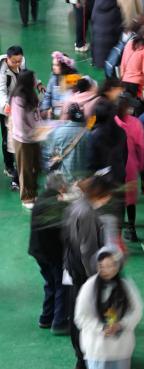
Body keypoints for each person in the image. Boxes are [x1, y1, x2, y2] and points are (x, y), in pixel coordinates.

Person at [75, 246, 143, 369]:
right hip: (98, 350)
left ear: (118, 265)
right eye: (102, 266)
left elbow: (137, 309)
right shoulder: (89, 287)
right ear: (96, 266)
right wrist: (100, 328)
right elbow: (81, 316)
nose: (107, 270)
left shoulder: (126, 285)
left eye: (111, 265)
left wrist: (122, 325)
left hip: (121, 349)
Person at [63, 172, 119, 369]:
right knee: (86, 313)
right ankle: (85, 357)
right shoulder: (87, 214)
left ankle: (82, 356)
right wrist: (95, 278)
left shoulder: (77, 205)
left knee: (76, 310)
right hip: (82, 271)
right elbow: (88, 250)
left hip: (72, 265)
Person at [28, 172, 69, 334]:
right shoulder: (56, 204)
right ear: (61, 187)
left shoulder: (41, 199)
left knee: (50, 283)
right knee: (61, 285)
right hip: (52, 253)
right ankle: (59, 322)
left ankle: (46, 318)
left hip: (38, 251)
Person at [87, 100, 128, 229]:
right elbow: (125, 155)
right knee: (118, 214)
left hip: (101, 183)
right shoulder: (121, 132)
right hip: (118, 177)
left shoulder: (94, 135)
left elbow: (91, 162)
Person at [115, 93, 144, 242]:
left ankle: (116, 236)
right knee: (130, 200)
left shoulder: (110, 122)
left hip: (113, 167)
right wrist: (141, 164)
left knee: (117, 200)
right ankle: (131, 229)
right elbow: (142, 147)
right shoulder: (136, 123)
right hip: (131, 166)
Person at [11, 69, 42, 209]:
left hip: (34, 136)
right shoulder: (18, 99)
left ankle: (33, 192)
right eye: (34, 80)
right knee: (25, 169)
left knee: (36, 166)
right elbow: (19, 124)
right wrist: (34, 132)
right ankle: (27, 197)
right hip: (23, 140)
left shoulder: (30, 94)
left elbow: (35, 114)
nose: (36, 82)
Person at [0, 46, 25, 189]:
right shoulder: (2, 71)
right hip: (3, 104)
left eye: (19, 61)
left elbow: (25, 75)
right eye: (14, 62)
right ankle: (9, 166)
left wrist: (38, 83)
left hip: (14, 103)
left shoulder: (21, 62)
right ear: (7, 59)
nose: (18, 64)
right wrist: (5, 106)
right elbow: (1, 90)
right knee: (6, 136)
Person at [120, 14, 144, 114]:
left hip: (125, 81)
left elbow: (122, 63)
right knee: (140, 108)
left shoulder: (129, 43)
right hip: (137, 85)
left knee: (127, 109)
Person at [45, 103, 90, 183]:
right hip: (84, 178)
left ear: (69, 116)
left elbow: (52, 153)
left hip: (65, 177)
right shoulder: (88, 132)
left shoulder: (59, 132)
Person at [41, 52, 77, 119]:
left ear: (64, 66)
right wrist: (45, 110)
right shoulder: (53, 77)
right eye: (53, 65)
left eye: (57, 65)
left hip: (67, 114)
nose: (53, 67)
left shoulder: (71, 79)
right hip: (54, 112)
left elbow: (67, 99)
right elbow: (48, 95)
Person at [91, 0, 123, 69]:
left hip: (98, 48)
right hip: (111, 51)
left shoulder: (96, 4)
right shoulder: (115, 8)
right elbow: (119, 29)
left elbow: (92, 19)